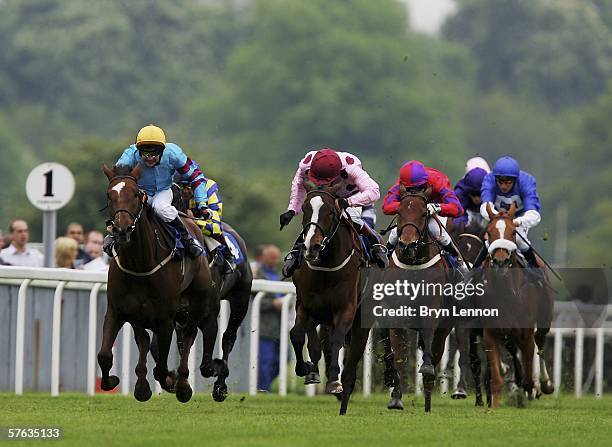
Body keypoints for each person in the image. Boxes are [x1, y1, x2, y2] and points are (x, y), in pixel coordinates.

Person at [104, 124, 210, 260]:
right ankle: (114, 234)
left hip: (164, 190)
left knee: (160, 208)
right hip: (141, 192)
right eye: (145, 153)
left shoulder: (173, 153)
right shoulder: (130, 155)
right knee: (126, 207)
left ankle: (187, 238)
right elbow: (118, 182)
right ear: (138, 149)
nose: (150, 158)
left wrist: (202, 203)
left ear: (163, 149)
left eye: (155, 153)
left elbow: (196, 176)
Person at [280, 148, 388, 277]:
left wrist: (349, 202)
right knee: (315, 218)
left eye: (324, 180)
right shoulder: (306, 164)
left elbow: (374, 191)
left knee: (353, 218)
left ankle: (374, 242)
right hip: (326, 195)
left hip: (353, 197)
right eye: (317, 179)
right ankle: (296, 252)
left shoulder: (351, 168)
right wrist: (292, 209)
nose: (319, 182)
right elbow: (298, 185)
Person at [382, 160, 469, 276]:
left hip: (434, 212)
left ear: (426, 183)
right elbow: (386, 207)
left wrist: (438, 207)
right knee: (394, 233)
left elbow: (458, 209)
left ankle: (459, 264)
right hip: (411, 215)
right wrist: (412, 207)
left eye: (419, 189)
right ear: (403, 185)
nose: (414, 193)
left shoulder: (438, 181)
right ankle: (384, 260)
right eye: (409, 190)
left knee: (439, 233)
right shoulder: (401, 183)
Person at [475, 156, 542, 269]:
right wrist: (498, 218)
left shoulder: (526, 182)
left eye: (508, 182)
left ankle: (535, 271)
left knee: (520, 240)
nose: (503, 186)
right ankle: (473, 273)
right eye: (500, 182)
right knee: (488, 241)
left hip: (517, 219)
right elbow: (485, 206)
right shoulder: (489, 179)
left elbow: (534, 214)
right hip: (497, 219)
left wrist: (517, 221)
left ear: (515, 180)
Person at [172, 175, 236, 272]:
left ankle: (227, 256)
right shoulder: (171, 187)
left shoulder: (209, 187)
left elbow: (215, 228)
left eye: (189, 187)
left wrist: (192, 221)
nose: (185, 191)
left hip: (204, 222)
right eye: (182, 186)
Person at [255, 245, 285, 391]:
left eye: (276, 257)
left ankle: (263, 387)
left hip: (281, 326)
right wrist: (272, 303)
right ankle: (263, 389)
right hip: (264, 326)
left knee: (284, 359)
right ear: (264, 257)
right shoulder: (257, 275)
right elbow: (254, 299)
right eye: (272, 257)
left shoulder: (279, 275)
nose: (275, 260)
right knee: (265, 361)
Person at [454, 164, 490, 230]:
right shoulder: (460, 191)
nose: (476, 198)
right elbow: (457, 211)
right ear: (466, 190)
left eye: (479, 194)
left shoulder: (493, 190)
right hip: (468, 215)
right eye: (473, 194)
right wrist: (463, 224)